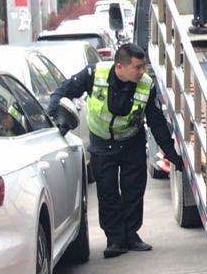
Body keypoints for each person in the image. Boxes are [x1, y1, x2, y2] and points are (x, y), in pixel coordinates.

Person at [50, 43, 184, 258]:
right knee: (107, 192)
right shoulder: (95, 74)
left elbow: (156, 122)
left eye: (144, 67)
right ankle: (115, 240)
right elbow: (62, 92)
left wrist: (171, 153)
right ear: (120, 67)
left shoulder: (146, 85)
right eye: (138, 67)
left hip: (132, 141)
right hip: (102, 143)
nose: (143, 72)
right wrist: (55, 113)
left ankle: (131, 235)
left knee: (133, 190)